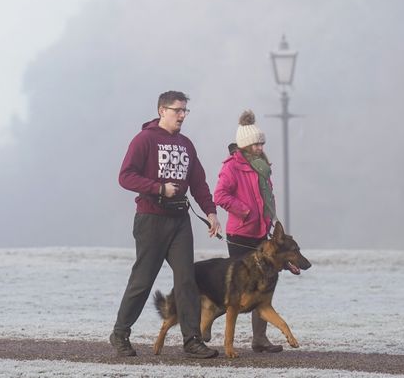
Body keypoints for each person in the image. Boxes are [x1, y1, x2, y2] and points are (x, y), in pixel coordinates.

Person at [110, 90, 222, 359]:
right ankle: (120, 333)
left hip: (180, 221)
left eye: (185, 110)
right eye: (177, 110)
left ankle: (192, 340)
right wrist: (159, 188)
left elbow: (198, 183)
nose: (182, 115)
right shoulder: (144, 140)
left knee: (187, 280)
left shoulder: (186, 144)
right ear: (162, 110)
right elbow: (125, 177)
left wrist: (211, 212)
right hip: (151, 220)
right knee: (142, 281)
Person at [213, 109, 284, 353]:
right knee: (237, 289)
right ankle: (208, 324)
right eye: (255, 144)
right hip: (240, 235)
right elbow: (220, 195)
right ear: (245, 145)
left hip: (261, 234)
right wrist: (245, 211)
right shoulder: (232, 167)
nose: (260, 147)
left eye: (262, 143)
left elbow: (267, 196)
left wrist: (269, 218)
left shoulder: (263, 167)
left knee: (264, 285)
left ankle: (260, 339)